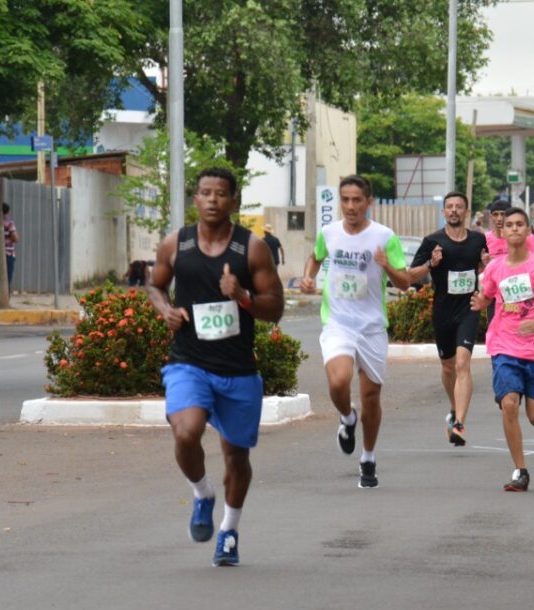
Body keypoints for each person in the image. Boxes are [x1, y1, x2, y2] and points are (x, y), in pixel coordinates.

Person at [147, 167, 285, 567]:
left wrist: (242, 296)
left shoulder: (252, 249)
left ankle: (229, 530)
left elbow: (274, 308)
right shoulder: (177, 244)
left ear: (234, 201)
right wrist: (165, 310)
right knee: (186, 431)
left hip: (239, 370)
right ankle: (202, 492)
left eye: (221, 194)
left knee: (236, 458)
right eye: (205, 193)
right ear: (195, 199)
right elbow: (155, 285)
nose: (212, 200)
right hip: (189, 362)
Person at [299, 175, 411, 488]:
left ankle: (369, 457)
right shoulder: (329, 232)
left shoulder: (384, 236)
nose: (350, 206)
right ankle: (347, 417)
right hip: (338, 322)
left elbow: (405, 281)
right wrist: (308, 278)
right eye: (345, 199)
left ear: (369, 202)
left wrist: (387, 265)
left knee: (371, 398)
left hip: (372, 327)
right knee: (338, 381)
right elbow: (315, 258)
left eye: (356, 200)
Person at [469, 208, 534, 492]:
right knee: (510, 403)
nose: (513, 229)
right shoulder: (495, 268)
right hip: (505, 346)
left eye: (519, 225)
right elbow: (488, 294)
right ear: (503, 232)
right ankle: (520, 470)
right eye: (509, 225)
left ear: (527, 232)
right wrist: (480, 303)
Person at [408, 191, 488, 446]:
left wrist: (486, 265)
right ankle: (454, 409)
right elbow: (411, 275)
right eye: (449, 207)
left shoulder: (478, 239)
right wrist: (431, 264)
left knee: (463, 363)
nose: (454, 210)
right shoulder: (432, 241)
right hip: (443, 311)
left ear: (466, 211)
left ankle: (460, 424)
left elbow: (485, 268)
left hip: (469, 309)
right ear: (443, 212)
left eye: (459, 207)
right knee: (448, 366)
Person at [2, 203, 19, 291]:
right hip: (8, 254)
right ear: (7, 212)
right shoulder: (9, 224)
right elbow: (15, 238)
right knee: (7, 279)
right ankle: (5, 300)